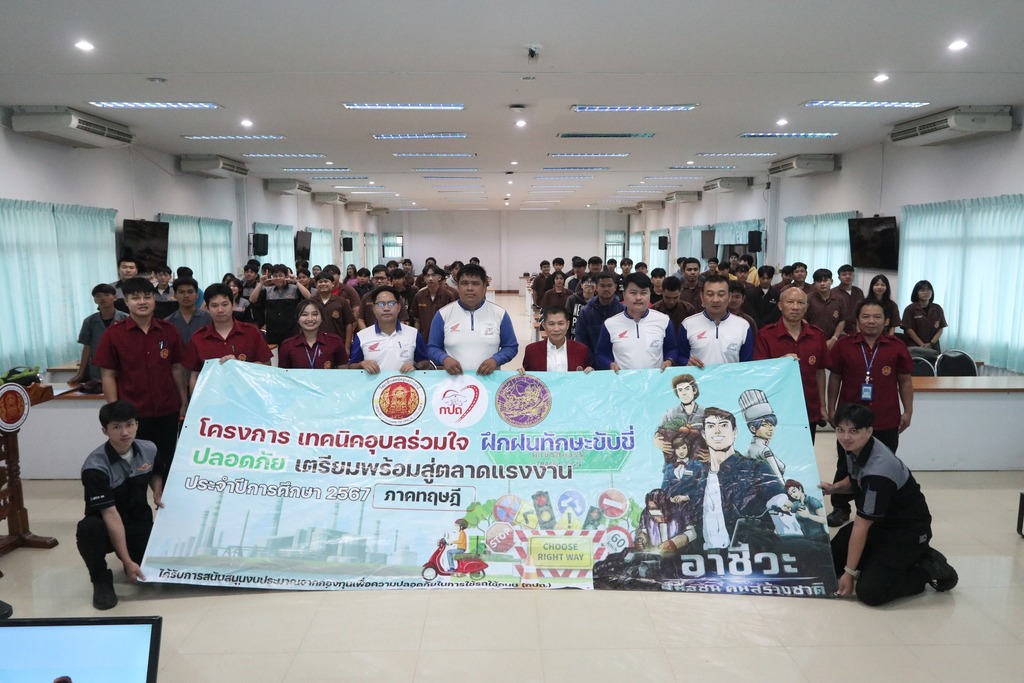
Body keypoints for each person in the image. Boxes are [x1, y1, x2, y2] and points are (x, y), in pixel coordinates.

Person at [820, 403, 957, 606]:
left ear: (869, 431)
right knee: (829, 562)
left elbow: (861, 525)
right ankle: (878, 561)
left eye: (853, 431)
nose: (845, 437)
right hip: (881, 523)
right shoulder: (858, 448)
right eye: (840, 430)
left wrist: (849, 572)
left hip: (906, 532)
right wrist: (834, 488)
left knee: (871, 592)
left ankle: (928, 567)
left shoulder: (879, 472)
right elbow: (857, 477)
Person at [92, 277, 188, 505]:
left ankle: (167, 510)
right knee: (134, 468)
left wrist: (183, 401)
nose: (142, 302)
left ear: (154, 300)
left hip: (167, 409)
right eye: (135, 298)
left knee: (166, 461)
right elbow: (108, 375)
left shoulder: (169, 331)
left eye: (147, 297)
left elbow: (177, 368)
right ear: (126, 302)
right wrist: (115, 412)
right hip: (132, 414)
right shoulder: (114, 334)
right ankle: (137, 514)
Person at [826, 299, 914, 527]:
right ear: (857, 320)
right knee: (845, 464)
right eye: (865, 316)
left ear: (886, 320)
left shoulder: (896, 346)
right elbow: (835, 377)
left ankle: (878, 507)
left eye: (877, 317)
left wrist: (908, 411)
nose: (871, 321)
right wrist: (831, 407)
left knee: (884, 464)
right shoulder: (844, 345)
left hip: (885, 417)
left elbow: (905, 380)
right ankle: (841, 508)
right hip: (850, 420)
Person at [76, 401, 159, 610]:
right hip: (106, 525)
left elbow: (156, 471)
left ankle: (134, 555)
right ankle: (100, 579)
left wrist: (158, 492)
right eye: (116, 427)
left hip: (139, 520)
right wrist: (127, 560)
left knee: (153, 574)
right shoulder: (95, 467)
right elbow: (110, 514)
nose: (124, 432)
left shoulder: (149, 449)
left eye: (129, 424)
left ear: (137, 425)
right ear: (105, 430)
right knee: (88, 529)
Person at [753, 286, 831, 441]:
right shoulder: (765, 335)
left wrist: (822, 406)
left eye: (800, 303)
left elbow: (820, 372)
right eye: (790, 302)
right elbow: (759, 372)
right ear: (780, 305)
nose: (795, 307)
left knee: (806, 451)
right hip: (776, 409)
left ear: (806, 307)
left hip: (808, 408)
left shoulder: (817, 335)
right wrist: (780, 364)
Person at [427, 263, 518, 375]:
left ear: (484, 287)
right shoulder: (443, 315)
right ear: (458, 287)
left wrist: (496, 360)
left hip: (489, 380)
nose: (470, 288)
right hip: (453, 381)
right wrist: (444, 359)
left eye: (475, 283)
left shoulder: (500, 314)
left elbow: (511, 346)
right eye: (464, 283)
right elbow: (432, 348)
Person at [184, 284, 273, 393]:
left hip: (249, 395)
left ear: (233, 305)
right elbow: (195, 375)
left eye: (225, 304)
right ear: (207, 308)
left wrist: (239, 366)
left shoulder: (251, 332)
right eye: (214, 305)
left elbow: (267, 365)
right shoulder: (198, 338)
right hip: (212, 398)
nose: (220, 310)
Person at [595, 273, 677, 372]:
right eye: (633, 293)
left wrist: (669, 360)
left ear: (650, 294)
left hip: (655, 380)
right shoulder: (610, 324)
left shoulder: (664, 321)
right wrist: (609, 364)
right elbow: (601, 353)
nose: (638, 298)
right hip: (622, 380)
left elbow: (672, 349)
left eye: (643, 293)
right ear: (624, 295)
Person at [678, 275, 755, 367]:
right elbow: (680, 356)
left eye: (721, 294)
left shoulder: (743, 326)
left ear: (729, 297)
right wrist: (686, 362)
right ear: (702, 297)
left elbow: (747, 363)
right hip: (697, 376)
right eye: (710, 294)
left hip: (731, 376)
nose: (715, 300)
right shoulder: (688, 324)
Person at [350, 286, 430, 373]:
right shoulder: (362, 336)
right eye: (381, 304)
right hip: (373, 382)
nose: (386, 308)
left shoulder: (413, 334)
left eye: (391, 303)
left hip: (404, 381)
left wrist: (415, 366)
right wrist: (362, 364)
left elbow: (425, 362)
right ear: (373, 308)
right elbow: (352, 366)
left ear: (399, 307)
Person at [69, 284, 128, 385]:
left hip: (123, 367)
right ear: (95, 300)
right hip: (97, 369)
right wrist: (80, 373)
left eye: (107, 294)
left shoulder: (126, 319)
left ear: (115, 297)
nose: (103, 298)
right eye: (98, 296)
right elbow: (87, 348)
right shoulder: (89, 321)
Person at [249, 263, 312, 344]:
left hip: (291, 329)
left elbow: (309, 297)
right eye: (275, 276)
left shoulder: (294, 289)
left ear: (286, 276)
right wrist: (261, 283)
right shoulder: (268, 290)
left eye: (280, 275)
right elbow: (252, 300)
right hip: (273, 330)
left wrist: (296, 281)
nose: (278, 278)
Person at [277, 299, 348, 370]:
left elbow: (343, 372)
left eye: (315, 314)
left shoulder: (335, 341)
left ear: (322, 318)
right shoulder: (287, 345)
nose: (310, 319)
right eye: (304, 314)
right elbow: (283, 374)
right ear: (297, 319)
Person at [573, 270, 624, 365]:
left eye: (609, 285)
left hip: (620, 365)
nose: (606, 289)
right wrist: (593, 362)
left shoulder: (623, 311)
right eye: (602, 286)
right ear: (596, 287)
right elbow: (581, 340)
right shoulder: (586, 312)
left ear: (615, 287)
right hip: (593, 365)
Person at [521, 306, 591, 372]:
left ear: (567, 325)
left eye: (560, 324)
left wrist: (590, 373)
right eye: (551, 324)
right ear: (544, 325)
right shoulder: (532, 351)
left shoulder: (581, 350)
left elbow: (585, 376)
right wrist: (521, 373)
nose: (556, 329)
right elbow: (527, 377)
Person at [310, 272, 355, 351]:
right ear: (316, 285)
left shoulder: (341, 301)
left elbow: (349, 324)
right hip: (315, 344)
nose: (323, 284)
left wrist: (347, 347)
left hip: (338, 344)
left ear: (333, 284)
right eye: (320, 282)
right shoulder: (311, 302)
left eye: (326, 281)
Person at [412, 263, 456, 340]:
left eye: (433, 275)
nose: (430, 278)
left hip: (443, 338)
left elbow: (453, 319)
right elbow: (417, 319)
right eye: (427, 276)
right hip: (424, 338)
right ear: (424, 278)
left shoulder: (448, 296)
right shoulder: (419, 296)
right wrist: (417, 337)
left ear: (439, 277)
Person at [805, 268, 847, 348]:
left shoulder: (839, 299)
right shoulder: (808, 298)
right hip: (811, 339)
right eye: (819, 281)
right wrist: (812, 335)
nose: (822, 284)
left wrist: (834, 338)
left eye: (825, 280)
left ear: (832, 281)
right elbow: (803, 319)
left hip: (833, 341)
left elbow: (842, 320)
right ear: (814, 283)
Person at [901, 279, 947, 352]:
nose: (926, 292)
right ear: (916, 292)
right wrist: (922, 345)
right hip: (914, 347)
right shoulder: (910, 309)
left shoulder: (937, 308)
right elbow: (908, 329)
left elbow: (940, 328)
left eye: (928, 290)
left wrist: (931, 343)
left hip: (933, 347)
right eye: (922, 290)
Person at [165, 276, 211, 346]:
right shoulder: (168, 322)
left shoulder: (208, 319)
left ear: (197, 295)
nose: (186, 295)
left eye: (190, 292)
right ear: (175, 295)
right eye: (181, 292)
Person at [565, 273, 596, 341]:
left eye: (592, 282)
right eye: (586, 282)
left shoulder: (599, 302)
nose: (589, 284)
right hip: (574, 338)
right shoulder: (572, 299)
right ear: (581, 285)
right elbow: (566, 319)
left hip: (593, 339)